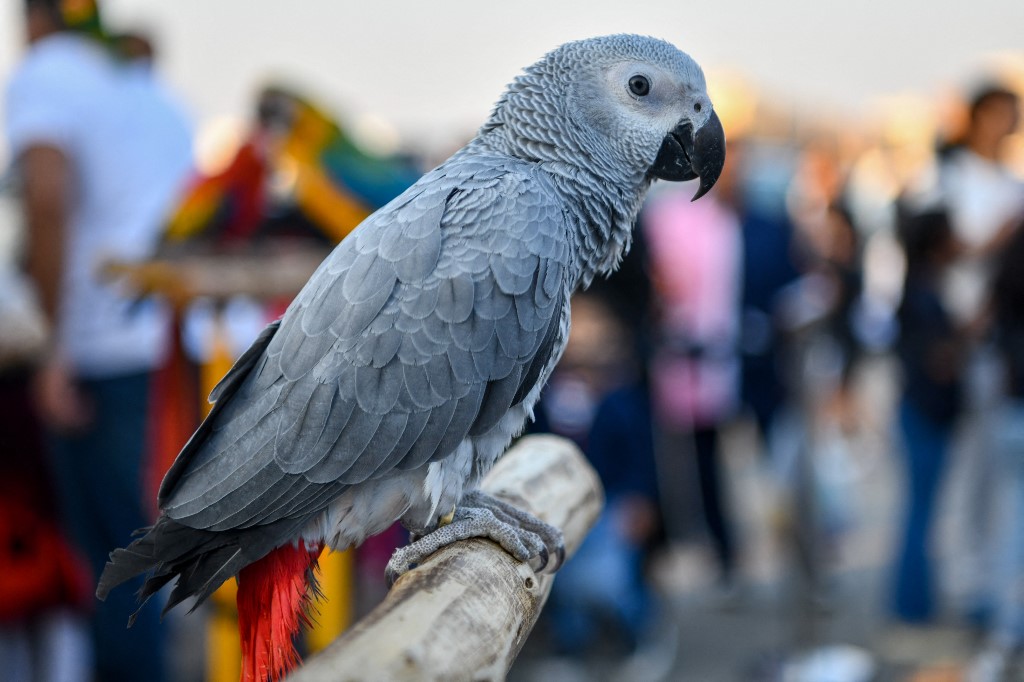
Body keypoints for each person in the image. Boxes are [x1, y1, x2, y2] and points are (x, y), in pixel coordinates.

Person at [4, 1, 193, 679]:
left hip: (95, 346)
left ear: (34, 21)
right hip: (161, 336)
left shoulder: (48, 73)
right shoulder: (139, 84)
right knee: (136, 546)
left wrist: (54, 348)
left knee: (107, 556)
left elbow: (48, 200)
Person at [889, 205, 965, 623]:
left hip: (919, 412)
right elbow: (937, 361)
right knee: (920, 513)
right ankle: (912, 606)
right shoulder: (926, 292)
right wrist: (969, 335)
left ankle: (913, 602)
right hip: (925, 414)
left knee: (919, 511)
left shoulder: (921, 286)